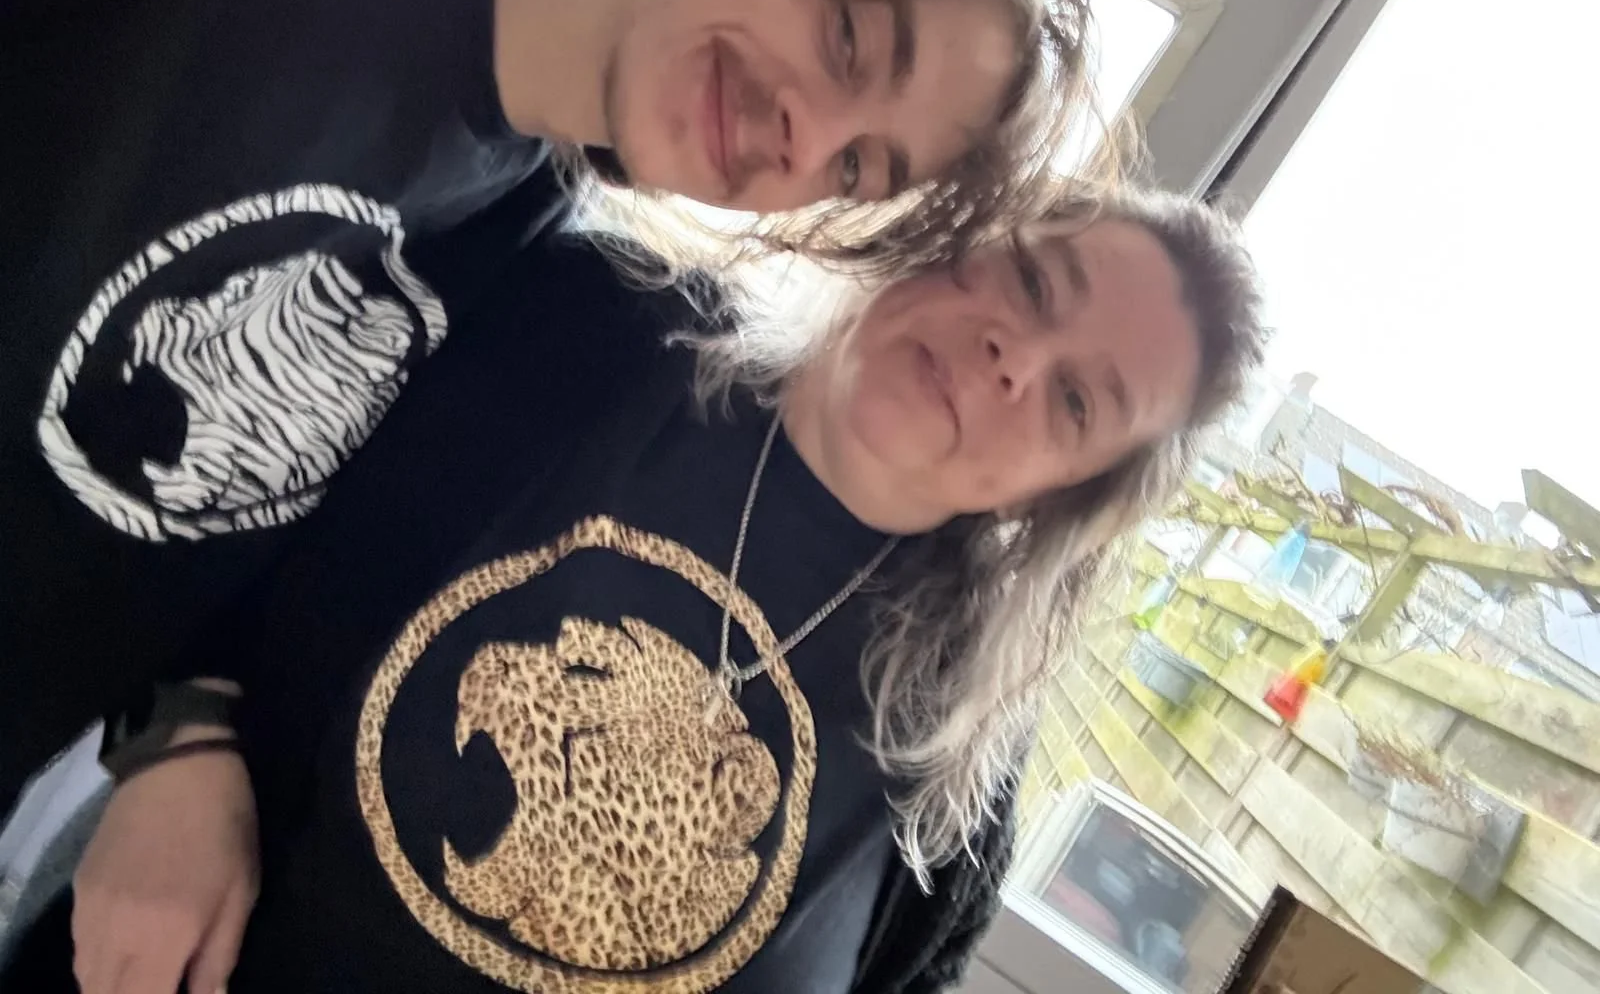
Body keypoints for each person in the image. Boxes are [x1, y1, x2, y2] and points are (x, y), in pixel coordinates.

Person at [0, 0, 1106, 808]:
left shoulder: (511, 247)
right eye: (849, 38)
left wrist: (178, 736)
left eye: (859, 169)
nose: (803, 134)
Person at [2, 184, 1266, 993]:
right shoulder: (593, 321)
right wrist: (179, 737)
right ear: (955, 231)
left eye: (1077, 400)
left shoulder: (954, 780)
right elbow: (227, 501)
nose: (1015, 357)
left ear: (1054, 498)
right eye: (1037, 281)